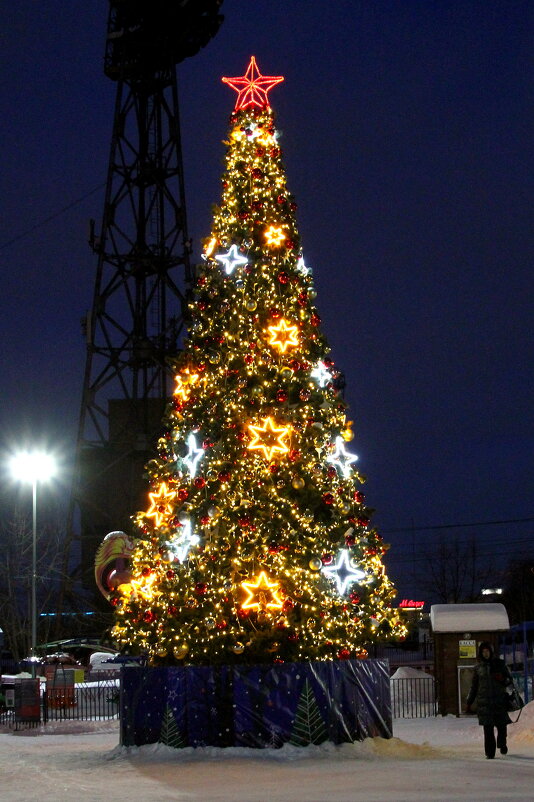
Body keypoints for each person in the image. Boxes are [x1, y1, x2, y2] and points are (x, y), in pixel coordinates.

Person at [466, 640, 513, 758]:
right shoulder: (478, 668)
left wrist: (502, 679)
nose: (485, 654)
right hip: (484, 703)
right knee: (488, 730)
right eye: (483, 652)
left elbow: (509, 681)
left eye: (487, 651)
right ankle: (490, 753)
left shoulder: (499, 664)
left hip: (499, 702)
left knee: (502, 726)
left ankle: (502, 743)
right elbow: (474, 686)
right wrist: (469, 702)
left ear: (491, 652)